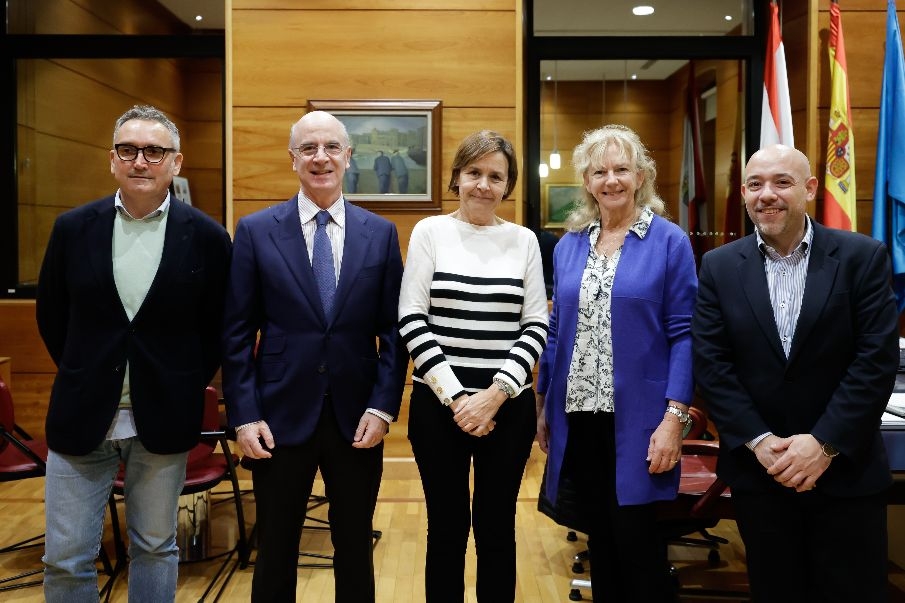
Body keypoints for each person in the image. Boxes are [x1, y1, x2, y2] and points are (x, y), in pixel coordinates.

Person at [35, 104, 232, 602]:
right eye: (129, 149)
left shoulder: (208, 238)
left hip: (162, 419)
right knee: (65, 556)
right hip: (83, 415)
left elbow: (217, 327)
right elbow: (52, 316)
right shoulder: (73, 228)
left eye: (154, 151)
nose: (140, 160)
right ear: (112, 160)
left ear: (176, 162)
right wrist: (88, 371)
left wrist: (182, 381)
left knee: (155, 547)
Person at [691, 144, 899, 602]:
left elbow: (875, 360)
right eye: (755, 184)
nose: (767, 194)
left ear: (808, 189)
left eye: (781, 182)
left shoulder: (862, 257)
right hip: (761, 476)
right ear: (744, 193)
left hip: (847, 475)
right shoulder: (719, 267)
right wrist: (761, 441)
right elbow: (712, 364)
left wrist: (823, 444)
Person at [222, 110, 408, 602]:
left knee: (353, 544)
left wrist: (384, 406)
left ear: (349, 157)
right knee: (277, 546)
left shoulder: (381, 234)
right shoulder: (257, 230)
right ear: (293, 160)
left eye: (330, 147)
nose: (320, 157)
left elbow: (394, 332)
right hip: (278, 418)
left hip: (357, 418)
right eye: (308, 148)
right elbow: (237, 333)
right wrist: (244, 415)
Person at [535, 124, 698, 602]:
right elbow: (556, 331)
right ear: (586, 181)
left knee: (638, 547)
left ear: (641, 175)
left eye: (621, 169)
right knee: (600, 542)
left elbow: (685, 335)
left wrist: (674, 419)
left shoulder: (669, 241)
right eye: (600, 171)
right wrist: (543, 404)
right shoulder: (569, 246)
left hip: (640, 422)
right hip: (577, 418)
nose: (611, 180)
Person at [398, 130, 548, 601]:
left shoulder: (524, 241)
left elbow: (537, 324)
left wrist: (495, 394)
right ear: (457, 178)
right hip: (439, 406)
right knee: (445, 528)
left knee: (497, 527)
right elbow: (411, 318)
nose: (484, 185)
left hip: (507, 407)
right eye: (474, 173)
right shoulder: (430, 232)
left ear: (508, 185)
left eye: (495, 176)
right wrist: (459, 399)